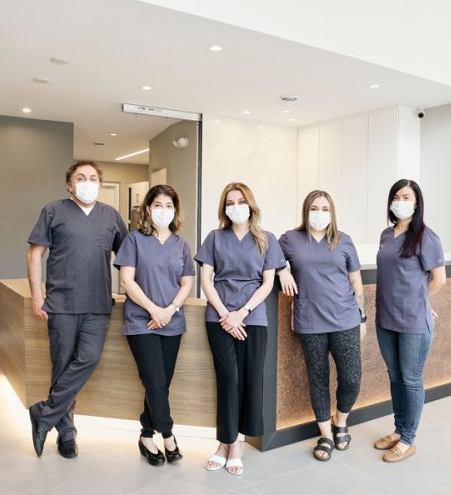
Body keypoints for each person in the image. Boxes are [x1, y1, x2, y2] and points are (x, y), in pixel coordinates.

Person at [26, 160, 128, 458]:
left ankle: (43, 413)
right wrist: (36, 295)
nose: (87, 182)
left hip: (97, 305)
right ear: (69, 185)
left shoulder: (110, 216)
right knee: (61, 369)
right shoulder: (53, 210)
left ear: (100, 183)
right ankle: (66, 433)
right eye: (81, 178)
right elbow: (35, 254)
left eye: (93, 178)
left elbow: (128, 256)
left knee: (88, 358)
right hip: (61, 305)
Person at [195, 182, 286, 476]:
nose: (236, 206)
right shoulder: (214, 238)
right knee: (228, 379)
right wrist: (225, 315)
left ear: (251, 205)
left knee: (249, 379)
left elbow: (268, 283)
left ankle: (237, 446)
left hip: (253, 318)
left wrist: (242, 313)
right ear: (224, 208)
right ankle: (225, 442)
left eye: (241, 201)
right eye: (230, 202)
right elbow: (206, 280)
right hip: (219, 318)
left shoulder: (267, 239)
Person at [278, 190, 366, 461]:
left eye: (325, 208)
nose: (320, 213)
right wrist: (282, 269)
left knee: (351, 377)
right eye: (314, 208)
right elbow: (269, 258)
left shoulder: (344, 240)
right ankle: (326, 434)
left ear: (332, 212)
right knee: (318, 379)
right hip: (310, 320)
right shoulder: (290, 239)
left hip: (346, 319)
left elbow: (356, 283)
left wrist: (362, 317)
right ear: (306, 211)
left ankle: (341, 421)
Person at [113, 185, 195, 467]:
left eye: (169, 206)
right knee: (154, 380)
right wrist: (153, 310)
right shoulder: (134, 240)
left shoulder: (181, 244)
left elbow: (187, 283)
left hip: (172, 323)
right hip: (141, 322)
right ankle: (169, 435)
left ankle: (147, 435)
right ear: (147, 209)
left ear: (175, 210)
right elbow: (127, 280)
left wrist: (169, 310)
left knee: (161, 383)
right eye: (158, 205)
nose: (163, 210)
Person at [373, 179, 446, 463]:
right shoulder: (385, 235)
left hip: (414, 322)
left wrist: (421, 301)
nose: (400, 201)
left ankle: (408, 440)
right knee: (395, 376)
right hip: (386, 318)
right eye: (396, 196)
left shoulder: (427, 237)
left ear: (417, 203)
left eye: (406, 197)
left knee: (411, 379)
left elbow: (439, 279)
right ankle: (398, 429)